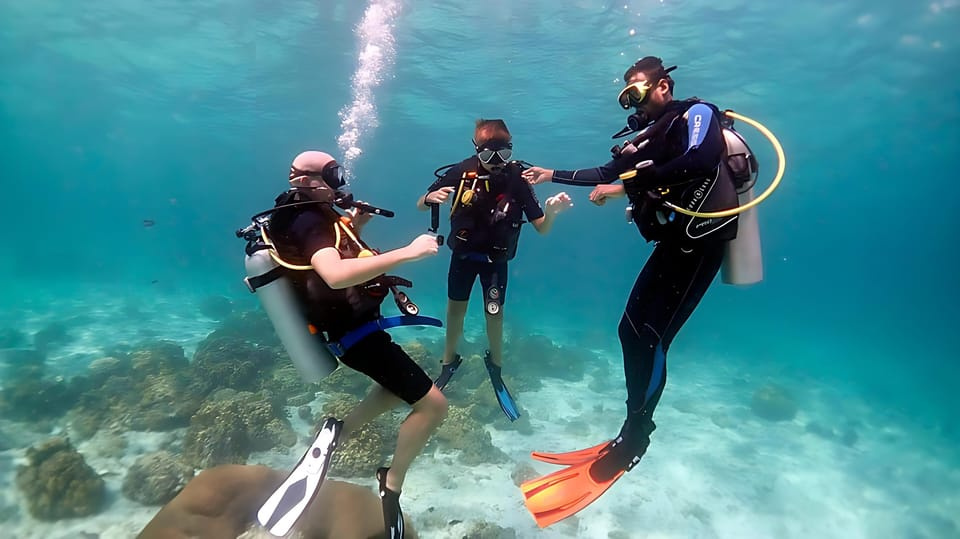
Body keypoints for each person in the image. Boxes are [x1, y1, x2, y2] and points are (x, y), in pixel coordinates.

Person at [519, 56, 741, 527]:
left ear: (664, 85)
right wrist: (549, 173)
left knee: (653, 336)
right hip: (676, 243)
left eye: (636, 93)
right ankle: (631, 421)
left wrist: (637, 180)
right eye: (625, 98)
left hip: (700, 245)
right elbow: (605, 172)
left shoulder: (695, 113)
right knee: (629, 330)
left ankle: (636, 435)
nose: (631, 104)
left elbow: (701, 160)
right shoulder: (645, 138)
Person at [254, 150, 448, 538]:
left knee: (395, 391)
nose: (340, 182)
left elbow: (324, 256)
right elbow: (334, 274)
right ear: (305, 181)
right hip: (353, 333)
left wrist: (355, 224)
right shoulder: (309, 218)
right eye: (332, 174)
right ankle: (391, 484)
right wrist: (408, 253)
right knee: (434, 407)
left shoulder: (299, 213)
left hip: (354, 327)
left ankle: (339, 430)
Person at [415, 118, 572, 421]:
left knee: (494, 315)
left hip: (496, 263)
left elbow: (541, 227)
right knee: (455, 312)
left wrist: (552, 212)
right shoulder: (461, 172)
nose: (497, 163)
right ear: (476, 150)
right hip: (462, 258)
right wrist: (429, 198)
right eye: (488, 156)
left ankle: (495, 364)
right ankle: (449, 361)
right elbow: (421, 204)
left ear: (511, 150)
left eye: (504, 155)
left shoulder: (518, 179)